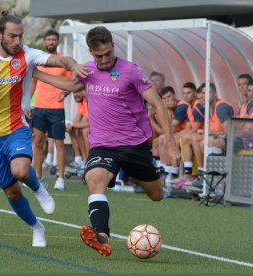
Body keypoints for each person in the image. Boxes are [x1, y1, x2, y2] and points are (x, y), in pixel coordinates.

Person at [32, 26, 180, 256]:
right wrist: (35, 72)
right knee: (94, 179)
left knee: (156, 195)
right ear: (91, 52)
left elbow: (158, 104)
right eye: (98, 55)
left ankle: (151, 176)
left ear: (112, 47)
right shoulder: (87, 70)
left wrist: (171, 144)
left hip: (134, 145)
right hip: (103, 144)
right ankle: (101, 236)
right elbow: (71, 86)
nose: (104, 59)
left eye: (107, 53)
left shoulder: (130, 70)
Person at [0, 11, 85, 247]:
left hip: (16, 127)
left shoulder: (27, 55)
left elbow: (59, 61)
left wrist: (73, 64)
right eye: (12, 36)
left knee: (20, 170)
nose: (17, 41)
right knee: (12, 193)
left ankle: (39, 187)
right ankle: (37, 228)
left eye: (20, 36)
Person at [30, 29, 72, 191]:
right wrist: (27, 103)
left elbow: (72, 81)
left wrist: (66, 93)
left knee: (59, 143)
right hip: (39, 107)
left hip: (56, 108)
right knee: (38, 142)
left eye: (53, 40)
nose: (51, 42)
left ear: (58, 42)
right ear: (44, 42)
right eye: (48, 40)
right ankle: (38, 177)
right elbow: (33, 82)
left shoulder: (63, 61)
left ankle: (60, 178)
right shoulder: (39, 60)